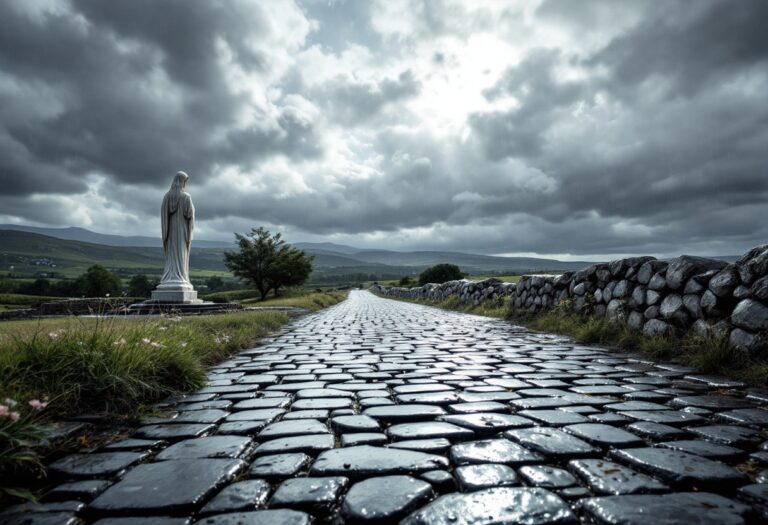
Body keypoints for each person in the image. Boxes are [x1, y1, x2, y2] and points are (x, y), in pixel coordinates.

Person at [159, 171, 195, 288]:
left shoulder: (167, 196)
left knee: (172, 254)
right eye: (185, 182)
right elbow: (189, 214)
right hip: (182, 229)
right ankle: (180, 277)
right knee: (181, 253)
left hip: (171, 231)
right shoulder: (186, 197)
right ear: (182, 182)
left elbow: (164, 215)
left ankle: (171, 276)